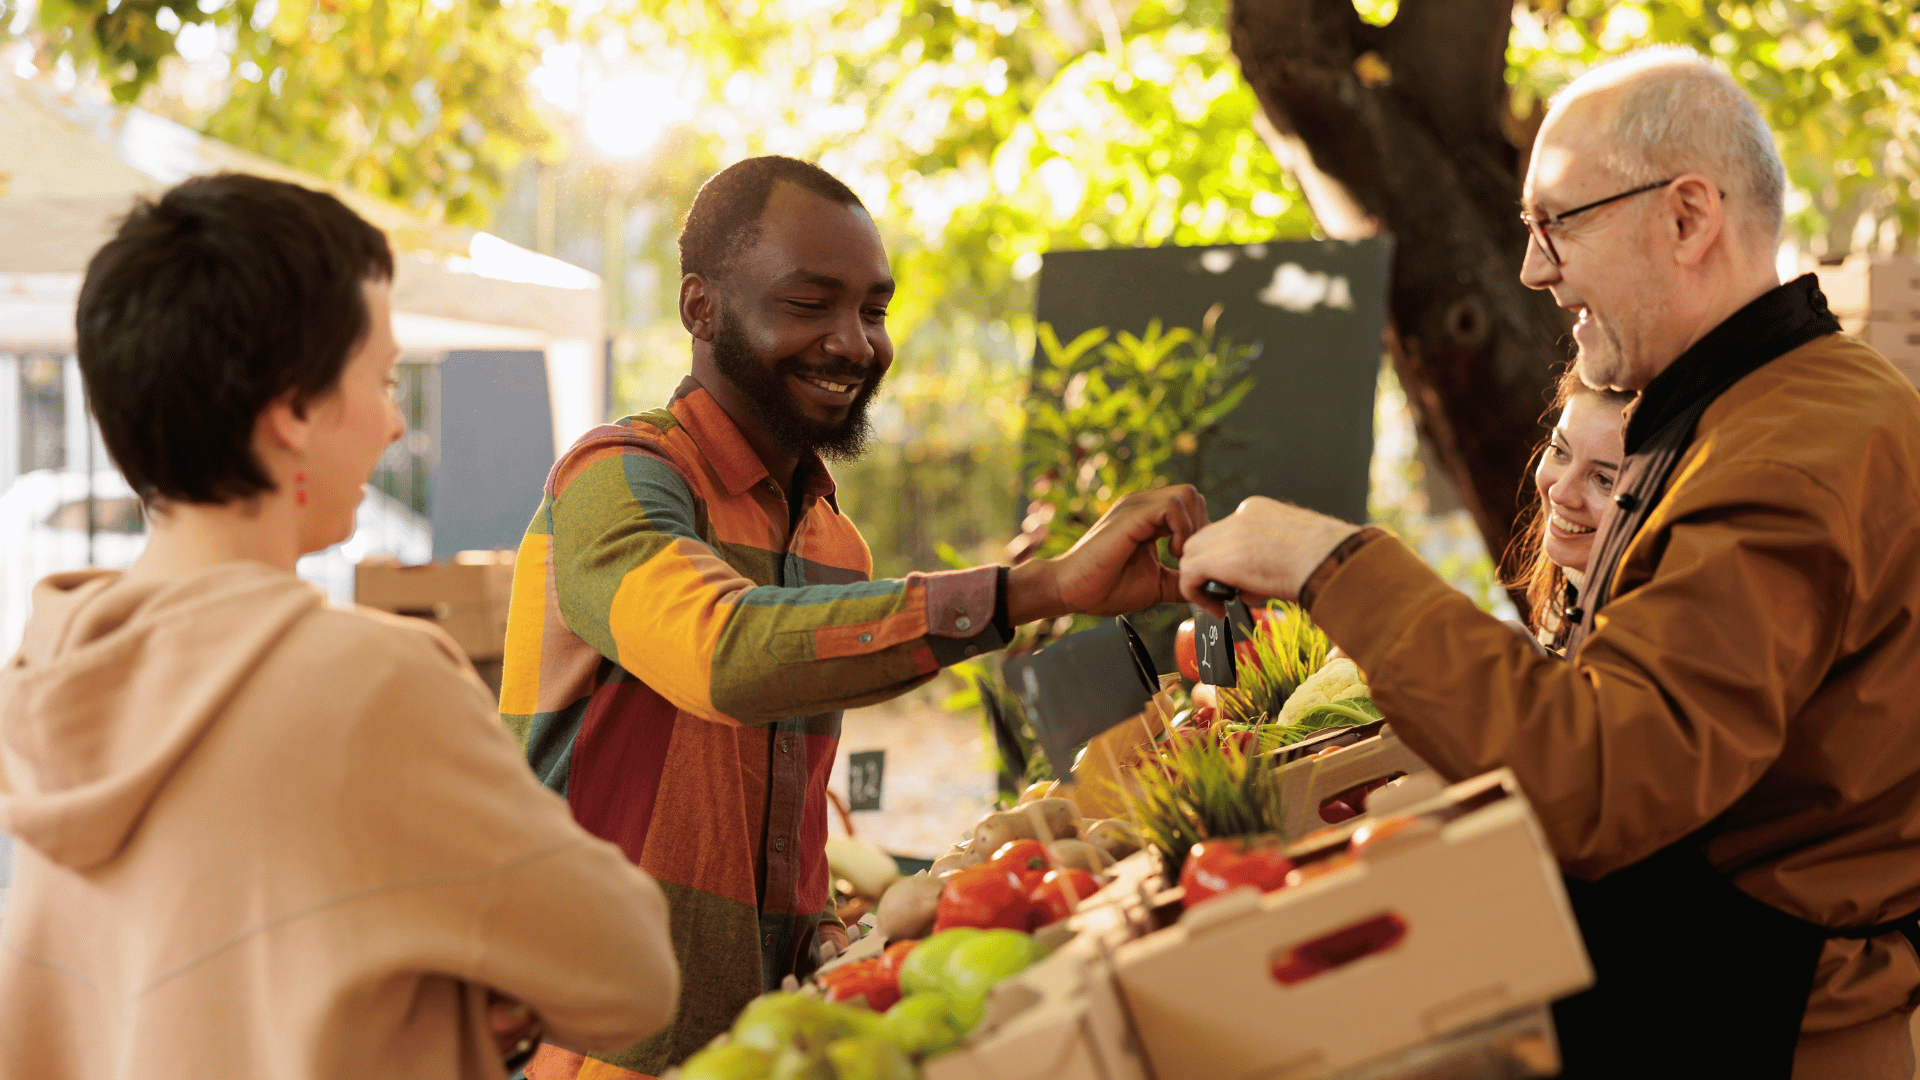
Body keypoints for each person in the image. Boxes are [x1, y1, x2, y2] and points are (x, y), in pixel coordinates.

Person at [1176, 49, 1920, 1079]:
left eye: (1556, 223)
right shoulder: (1756, 411)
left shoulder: (1785, 456)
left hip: (1773, 1016)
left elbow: (1605, 777)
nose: (1532, 269)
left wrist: (1336, 563)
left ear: (1688, 216)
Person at [499, 156, 1205, 1079]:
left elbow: (779, 808)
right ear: (699, 309)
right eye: (809, 304)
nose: (855, 344)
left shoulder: (834, 545)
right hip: (594, 1048)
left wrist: (821, 933)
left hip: (762, 1049)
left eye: (873, 311)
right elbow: (725, 655)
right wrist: (1045, 588)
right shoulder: (618, 481)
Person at [0, 174, 681, 1080]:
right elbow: (630, 972)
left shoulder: (52, 667)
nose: (396, 424)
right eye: (384, 379)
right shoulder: (374, 684)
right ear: (290, 411)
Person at [1504, 369, 1631, 651]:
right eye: (1559, 451)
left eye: (1604, 480)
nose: (1559, 492)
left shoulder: (1650, 630)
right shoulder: (1566, 590)